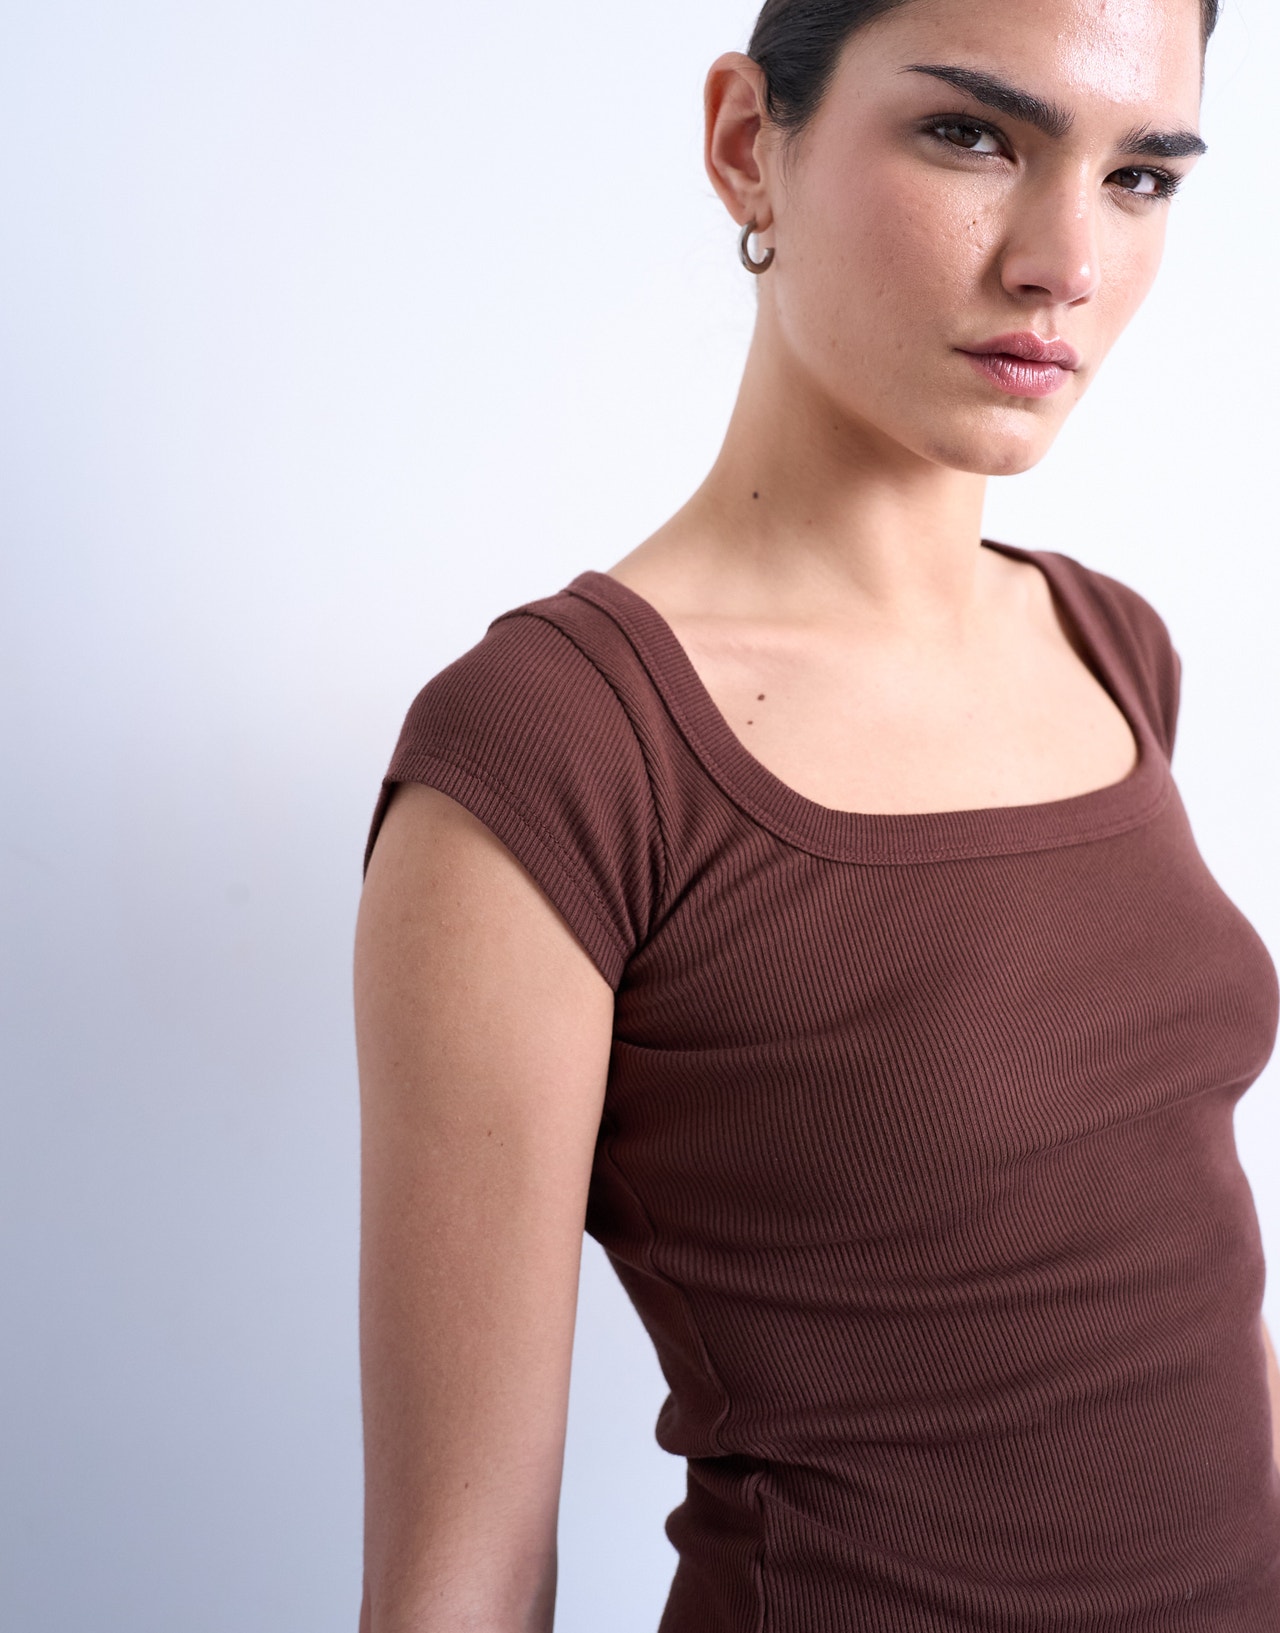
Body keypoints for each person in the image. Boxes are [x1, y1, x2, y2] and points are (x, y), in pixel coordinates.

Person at [353, 0, 1280, 1626]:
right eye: (972, 135)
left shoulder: (1112, 648)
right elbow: (462, 1575)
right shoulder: (563, 749)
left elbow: (1174, 1322)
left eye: (1140, 175)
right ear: (745, 144)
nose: (1065, 262)